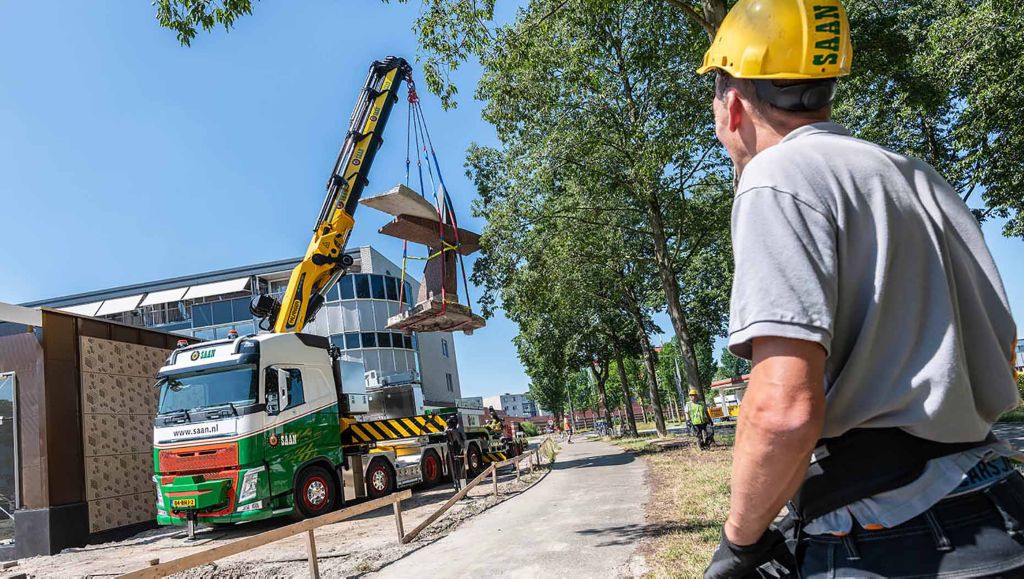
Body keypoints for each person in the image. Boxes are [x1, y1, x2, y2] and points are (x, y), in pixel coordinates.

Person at [697, 1, 1023, 577]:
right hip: (1002, 505)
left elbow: (783, 408)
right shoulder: (921, 179)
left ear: (734, 104)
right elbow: (998, 348)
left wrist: (741, 542)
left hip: (889, 539)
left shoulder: (774, 178)